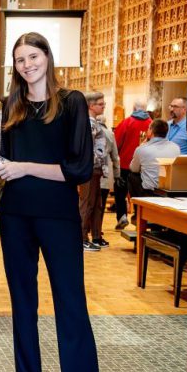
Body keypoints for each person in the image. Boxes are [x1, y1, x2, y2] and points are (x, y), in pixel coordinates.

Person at [0, 32, 105, 372]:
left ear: (48, 57)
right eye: (19, 59)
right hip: (15, 214)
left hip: (57, 216)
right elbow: (10, 167)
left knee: (71, 308)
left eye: (33, 56)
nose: (27, 64)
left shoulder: (72, 102)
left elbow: (79, 169)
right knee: (22, 307)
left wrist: (24, 166)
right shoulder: (12, 106)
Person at [112, 100, 151, 229]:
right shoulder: (152, 124)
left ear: (134, 108)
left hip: (125, 164)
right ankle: (138, 218)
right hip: (143, 166)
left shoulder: (126, 123)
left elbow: (116, 143)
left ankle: (122, 216)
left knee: (120, 192)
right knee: (139, 193)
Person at [78, 91, 108, 253]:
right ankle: (81, 237)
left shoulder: (94, 123)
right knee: (86, 203)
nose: (103, 107)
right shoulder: (87, 123)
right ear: (90, 105)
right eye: (100, 104)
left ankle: (95, 234)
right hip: (88, 168)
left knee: (96, 203)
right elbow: (87, 149)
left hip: (95, 169)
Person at [129, 119, 181, 196]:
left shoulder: (142, 149)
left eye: (148, 128)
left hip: (150, 191)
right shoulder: (176, 147)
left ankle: (138, 206)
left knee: (132, 176)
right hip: (169, 189)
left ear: (151, 131)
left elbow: (133, 168)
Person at [95, 115, 120, 248]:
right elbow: (115, 157)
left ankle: (87, 231)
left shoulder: (89, 130)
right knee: (100, 205)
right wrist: (117, 175)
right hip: (105, 175)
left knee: (87, 204)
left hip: (89, 173)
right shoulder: (110, 134)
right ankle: (97, 232)